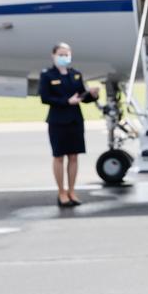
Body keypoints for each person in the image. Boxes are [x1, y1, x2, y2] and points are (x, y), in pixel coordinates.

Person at [38, 42, 98, 207]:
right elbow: (45, 98)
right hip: (57, 120)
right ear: (54, 55)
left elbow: (82, 97)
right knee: (58, 157)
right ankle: (61, 192)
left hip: (75, 120)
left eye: (67, 54)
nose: (64, 57)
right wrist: (66, 101)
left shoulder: (75, 74)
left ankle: (72, 190)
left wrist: (92, 95)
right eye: (61, 54)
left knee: (74, 156)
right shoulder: (47, 75)